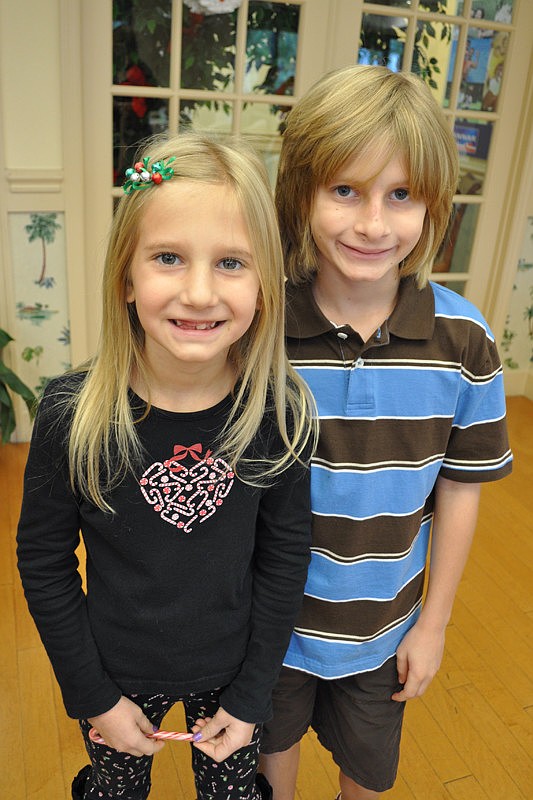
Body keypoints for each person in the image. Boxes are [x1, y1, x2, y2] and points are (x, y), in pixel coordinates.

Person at [16, 132, 317, 800]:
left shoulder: (281, 412)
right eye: (169, 258)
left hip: (234, 676)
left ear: (266, 283)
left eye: (232, 262)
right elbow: (42, 560)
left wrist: (251, 696)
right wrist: (93, 696)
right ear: (126, 273)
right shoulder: (71, 413)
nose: (200, 292)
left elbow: (284, 555)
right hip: (114, 673)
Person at [259, 65, 513, 800]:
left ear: (433, 205)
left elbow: (460, 494)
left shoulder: (464, 342)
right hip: (267, 624)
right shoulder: (258, 326)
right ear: (300, 194)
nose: (373, 223)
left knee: (366, 776)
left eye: (400, 195)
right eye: (345, 190)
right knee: (263, 773)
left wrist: (431, 626)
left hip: (384, 629)